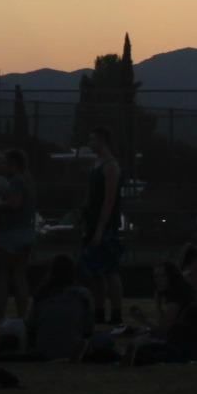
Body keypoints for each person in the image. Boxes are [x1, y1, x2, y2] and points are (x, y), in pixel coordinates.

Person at [77, 126, 126, 324]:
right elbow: (91, 195)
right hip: (92, 224)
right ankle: (99, 310)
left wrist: (100, 228)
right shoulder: (97, 164)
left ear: (102, 141)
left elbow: (109, 200)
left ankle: (116, 312)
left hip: (106, 227)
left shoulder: (111, 166)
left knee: (110, 270)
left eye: (92, 139)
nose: (89, 143)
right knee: (95, 271)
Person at [0, 148, 37, 320]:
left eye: (4, 162)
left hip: (10, 234)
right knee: (20, 275)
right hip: (26, 232)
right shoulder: (29, 181)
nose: (1, 166)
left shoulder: (15, 181)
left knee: (2, 276)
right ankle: (22, 317)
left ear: (13, 164)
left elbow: (14, 204)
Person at [27, 254, 93, 362]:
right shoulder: (83, 294)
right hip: (74, 346)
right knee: (104, 341)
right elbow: (89, 329)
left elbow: (31, 326)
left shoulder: (41, 294)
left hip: (42, 351)